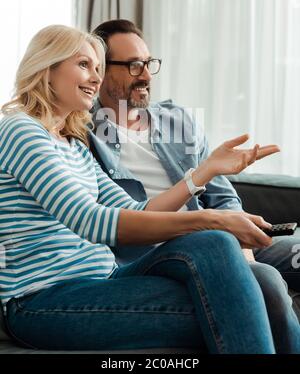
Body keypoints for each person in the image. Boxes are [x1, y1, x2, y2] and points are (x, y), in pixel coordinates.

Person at [0, 24, 287, 354]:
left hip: (104, 279)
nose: (96, 78)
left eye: (98, 68)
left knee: (234, 258)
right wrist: (213, 218)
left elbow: (137, 210)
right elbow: (91, 221)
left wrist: (204, 172)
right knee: (242, 295)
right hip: (44, 300)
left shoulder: (72, 145)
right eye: (83, 65)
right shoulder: (21, 130)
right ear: (46, 69)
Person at [90, 19, 300, 353]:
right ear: (99, 71)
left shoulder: (178, 121)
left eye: (148, 63)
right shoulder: (84, 134)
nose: (145, 75)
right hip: (161, 251)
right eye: (132, 66)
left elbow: (222, 196)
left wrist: (241, 242)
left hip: (221, 236)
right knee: (269, 283)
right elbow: (114, 220)